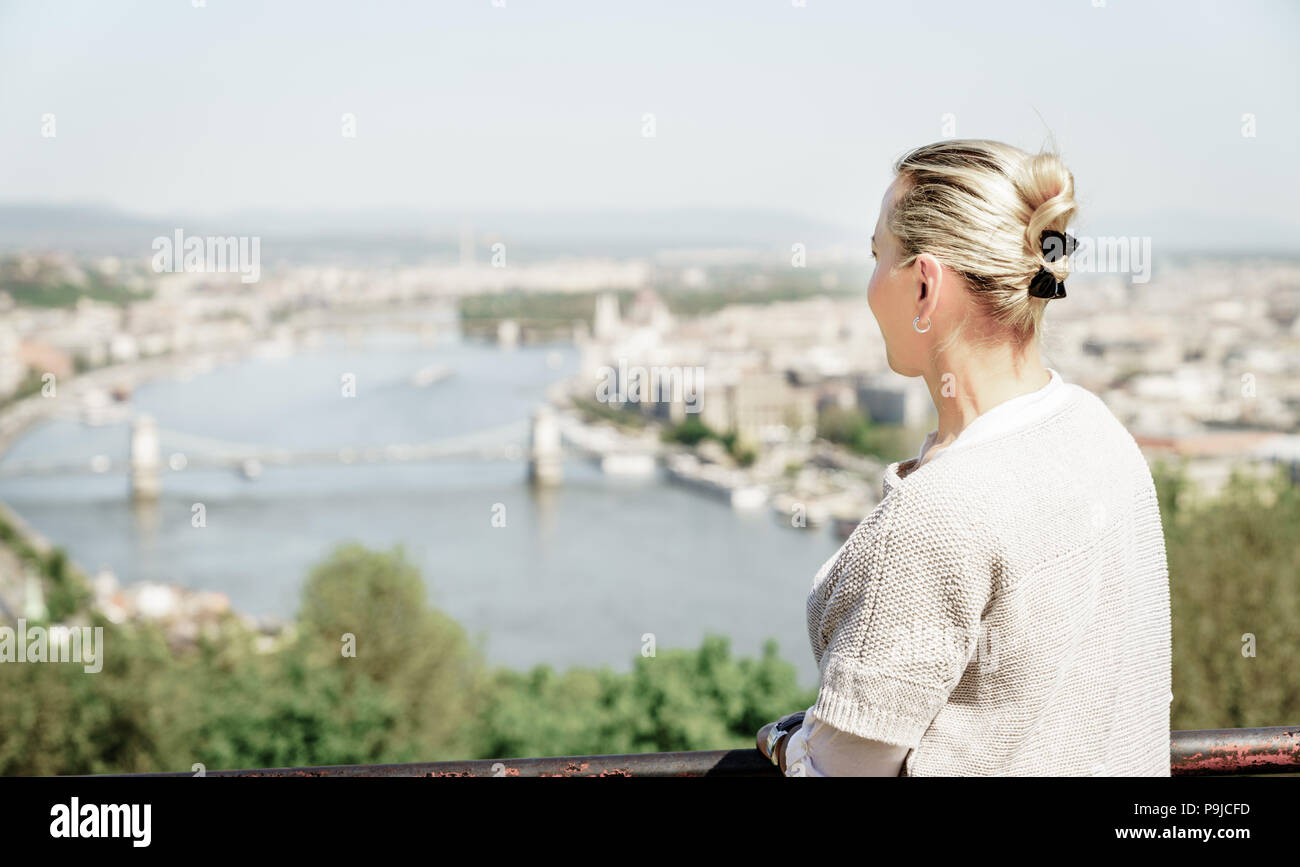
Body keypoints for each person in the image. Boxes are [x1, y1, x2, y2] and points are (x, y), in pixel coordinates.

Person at [757, 139, 1171, 776]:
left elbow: (837, 774)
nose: (869, 287)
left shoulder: (937, 515)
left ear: (925, 285)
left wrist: (786, 746)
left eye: (877, 257)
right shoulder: (1101, 433)